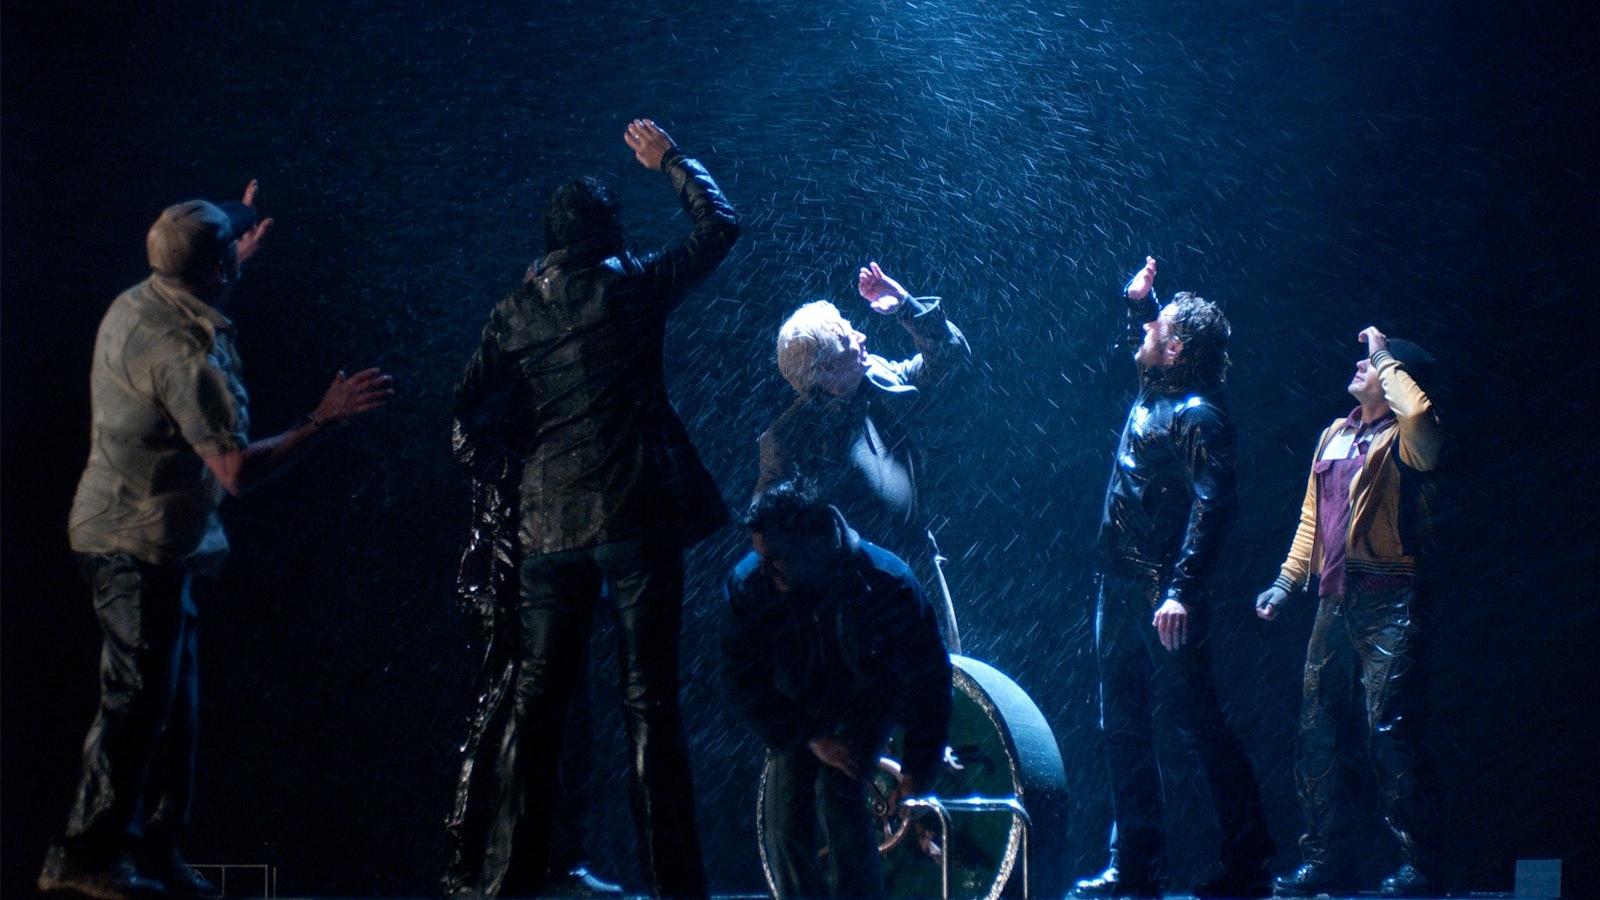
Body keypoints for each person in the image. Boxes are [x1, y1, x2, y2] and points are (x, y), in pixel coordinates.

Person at [38, 183, 394, 899]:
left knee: (174, 711)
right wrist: (322, 420)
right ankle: (83, 854)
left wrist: (233, 262)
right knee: (138, 701)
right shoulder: (184, 355)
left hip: (147, 540)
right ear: (215, 271)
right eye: (230, 250)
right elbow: (236, 473)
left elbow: (193, 295)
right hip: (131, 546)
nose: (241, 245)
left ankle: (153, 850)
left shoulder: (139, 301)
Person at [446, 117, 738, 899]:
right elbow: (720, 227)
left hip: (548, 531)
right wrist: (670, 160)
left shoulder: (514, 311)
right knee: (650, 706)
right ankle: (676, 890)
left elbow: (467, 403)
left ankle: (507, 885)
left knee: (538, 711)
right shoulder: (630, 289)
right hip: (635, 517)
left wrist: (525, 461)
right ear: (608, 234)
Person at [1072, 256, 1275, 899]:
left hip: (1163, 592)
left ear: (1177, 347)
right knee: (1122, 726)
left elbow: (1217, 503)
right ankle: (1136, 867)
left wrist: (1181, 590)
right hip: (1116, 585)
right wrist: (1142, 304)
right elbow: (1142, 348)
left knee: (1198, 722)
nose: (1143, 334)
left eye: (1155, 328)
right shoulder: (1153, 391)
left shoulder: (1198, 414)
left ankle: (1249, 861)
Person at [1254, 328, 1442, 899]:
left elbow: (1419, 412)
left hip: (1390, 596)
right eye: (1367, 359)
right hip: (1333, 602)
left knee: (1388, 730)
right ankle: (1323, 859)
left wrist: (1384, 352)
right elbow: (1312, 520)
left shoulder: (1409, 438)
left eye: (1375, 364)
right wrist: (1287, 581)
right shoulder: (1335, 434)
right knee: (1316, 732)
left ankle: (1418, 862)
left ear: (1396, 377)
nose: (1363, 365)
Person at [721, 478, 952, 900]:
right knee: (783, 824)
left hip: (866, 702)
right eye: (759, 557)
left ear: (813, 542)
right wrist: (809, 735)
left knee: (838, 794)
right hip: (796, 707)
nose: (765, 570)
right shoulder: (750, 586)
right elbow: (739, 681)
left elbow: (930, 681)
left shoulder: (888, 583)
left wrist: (918, 767)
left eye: (776, 558)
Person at [756, 264, 970, 651]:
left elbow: (951, 361)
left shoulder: (880, 376)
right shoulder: (787, 441)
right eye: (847, 337)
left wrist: (906, 306)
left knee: (946, 678)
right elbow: (770, 533)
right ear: (826, 369)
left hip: (918, 570)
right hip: (851, 600)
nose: (862, 336)